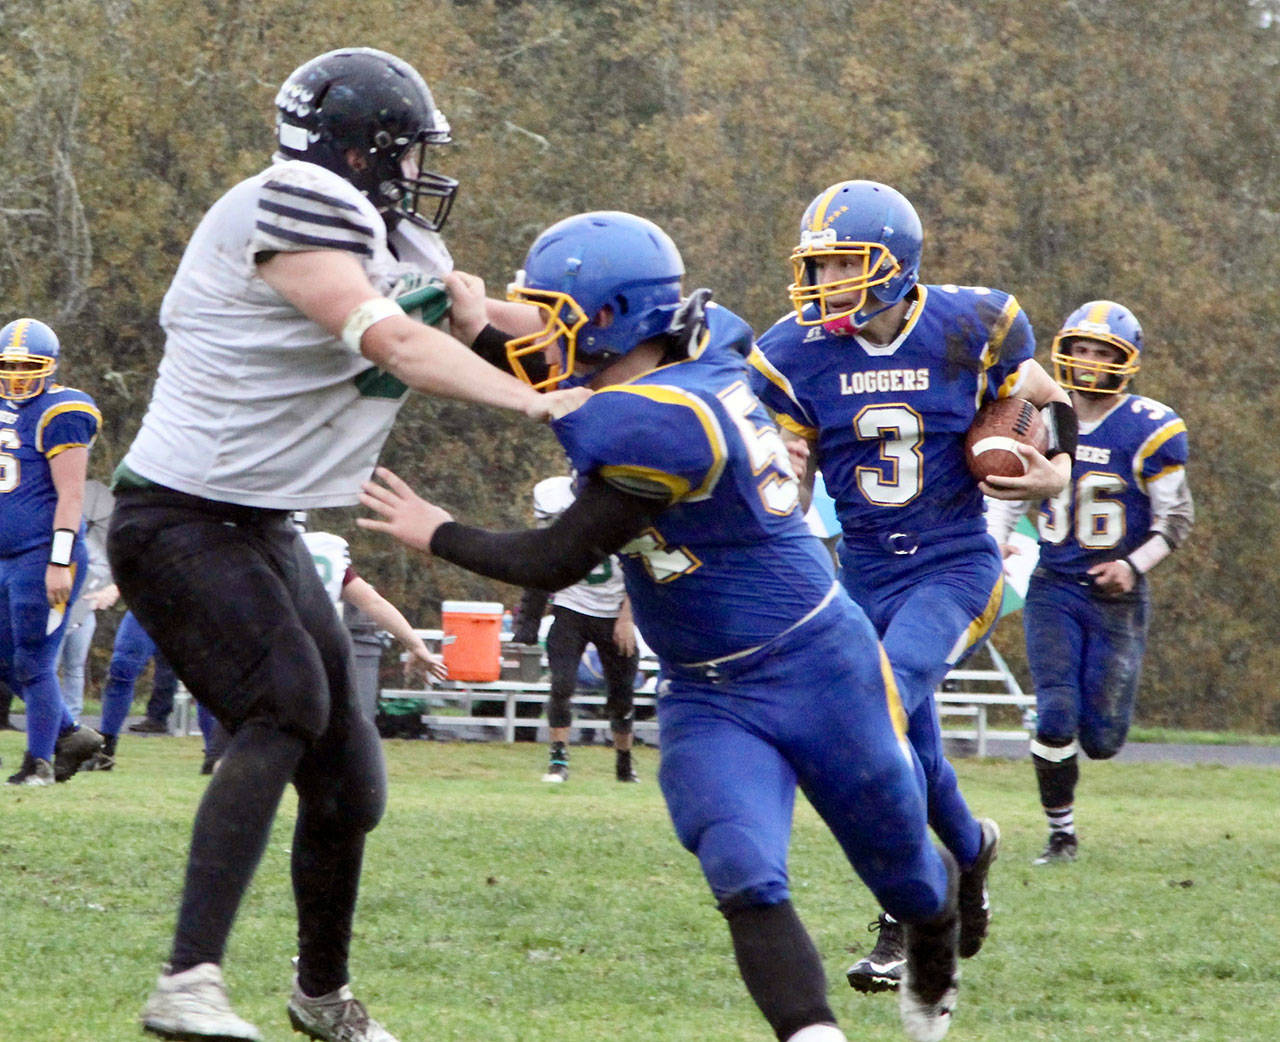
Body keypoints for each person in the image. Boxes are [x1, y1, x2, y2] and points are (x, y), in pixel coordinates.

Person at [359, 210, 966, 1042]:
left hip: (819, 666)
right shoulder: (698, 343)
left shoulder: (658, 427)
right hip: (707, 687)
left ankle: (938, 927)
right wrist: (479, 322)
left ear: (606, 321)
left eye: (553, 313)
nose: (537, 330)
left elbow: (555, 557)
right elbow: (569, 372)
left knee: (908, 877)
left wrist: (437, 531)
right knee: (741, 867)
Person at [104, 47, 586, 1042]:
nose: (416, 173)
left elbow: (488, 322)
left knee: (351, 782)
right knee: (283, 701)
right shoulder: (289, 200)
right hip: (177, 513)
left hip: (263, 520)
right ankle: (187, 981)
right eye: (405, 152)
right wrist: (536, 403)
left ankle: (321, 997)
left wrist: (637, 357)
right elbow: (393, 341)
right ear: (359, 148)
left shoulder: (391, 232)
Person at [749, 180, 1077, 992]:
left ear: (893, 266)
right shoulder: (792, 353)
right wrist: (778, 480)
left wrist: (1052, 476)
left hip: (955, 567)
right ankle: (971, 853)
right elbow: (787, 458)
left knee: (879, 707)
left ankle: (904, 916)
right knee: (917, 754)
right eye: (817, 267)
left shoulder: (974, 323)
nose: (822, 285)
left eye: (840, 266)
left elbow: (1049, 397)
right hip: (860, 576)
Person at [985, 301, 1193, 865]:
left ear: (1126, 361)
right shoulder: (1045, 414)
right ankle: (1061, 835)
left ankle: (1072, 804)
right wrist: (994, 540)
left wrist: (1132, 565)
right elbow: (1013, 486)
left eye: (1103, 353)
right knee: (1054, 713)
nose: (1089, 362)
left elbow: (1175, 520)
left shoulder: (1152, 427)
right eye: (1080, 350)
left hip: (1116, 595)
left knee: (1101, 739)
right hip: (1054, 584)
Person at [0, 317, 106, 786]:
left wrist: (59, 560)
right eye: (10, 365)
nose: (19, 375)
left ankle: (38, 762)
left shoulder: (61, 410)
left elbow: (71, 496)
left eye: (30, 366)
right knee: (7, 659)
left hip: (42, 555)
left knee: (34, 660)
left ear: (51, 366)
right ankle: (69, 733)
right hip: (5, 556)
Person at [526, 474, 639, 783]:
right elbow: (541, 552)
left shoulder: (626, 508)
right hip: (570, 607)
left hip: (614, 613)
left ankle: (624, 762)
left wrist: (627, 617)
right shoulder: (557, 501)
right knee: (561, 685)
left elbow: (642, 568)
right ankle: (558, 761)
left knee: (621, 696)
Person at [298, 519, 447, 717]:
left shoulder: (255, 550)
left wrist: (416, 646)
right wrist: (415, 645)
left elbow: (373, 603)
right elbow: (372, 602)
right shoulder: (320, 550)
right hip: (314, 660)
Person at [82, 609, 178, 770]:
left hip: (195, 602)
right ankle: (106, 750)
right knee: (121, 669)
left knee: (211, 674)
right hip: (148, 602)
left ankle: (216, 754)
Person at [55, 478, 119, 721]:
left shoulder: (99, 548)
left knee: (75, 667)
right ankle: (54, 714)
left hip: (85, 610)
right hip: (60, 606)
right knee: (52, 666)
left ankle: (72, 716)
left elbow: (105, 572)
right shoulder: (64, 542)